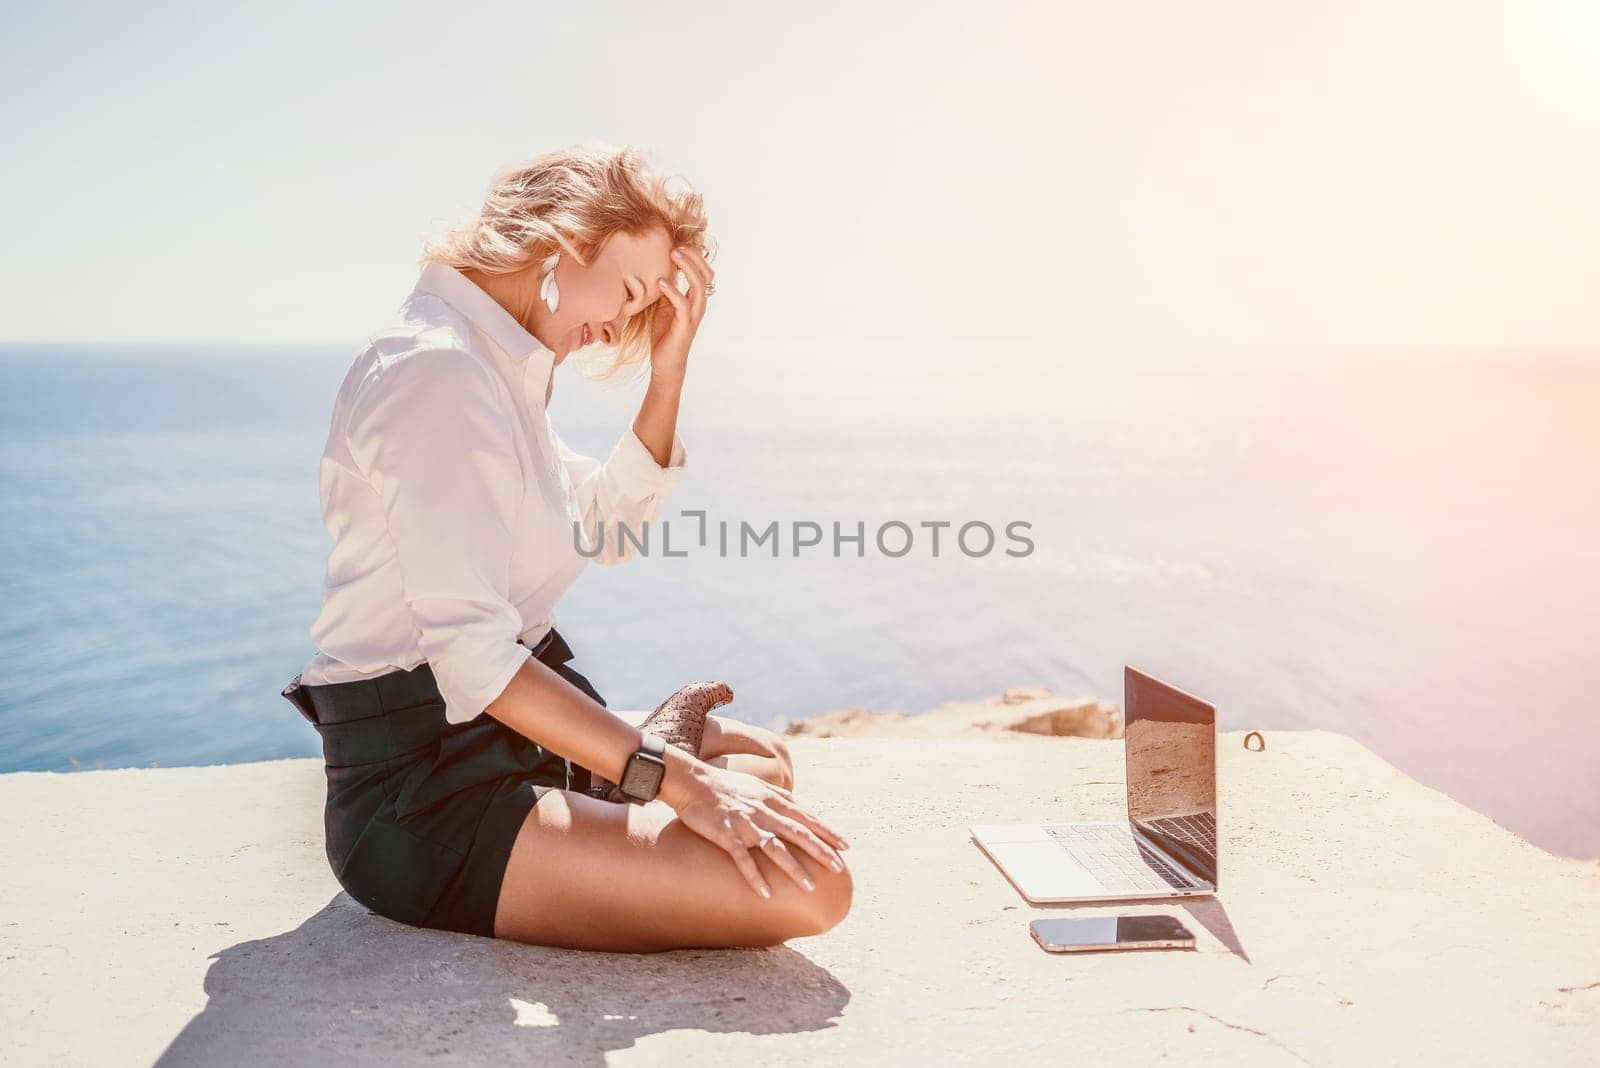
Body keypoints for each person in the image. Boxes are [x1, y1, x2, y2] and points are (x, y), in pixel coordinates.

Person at [279, 143, 852, 951]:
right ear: (563, 234)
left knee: (760, 763)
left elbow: (608, 526)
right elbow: (475, 662)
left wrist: (668, 370)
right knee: (812, 887)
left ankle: (610, 779)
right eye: (627, 290)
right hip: (425, 792)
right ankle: (620, 781)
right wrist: (675, 782)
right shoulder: (438, 373)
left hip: (499, 736)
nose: (622, 321)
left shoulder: (498, 363)